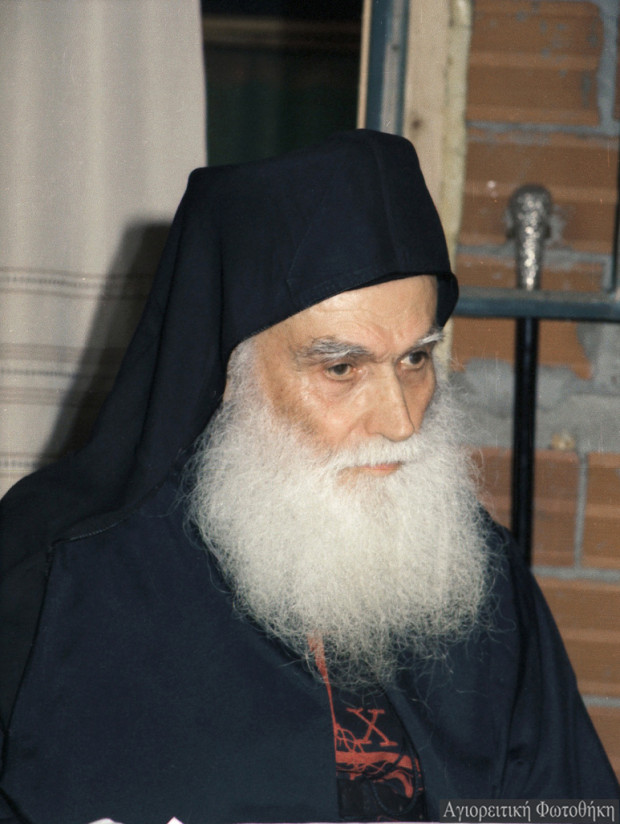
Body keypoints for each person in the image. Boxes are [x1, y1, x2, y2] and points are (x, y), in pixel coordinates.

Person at [0, 130, 617, 824]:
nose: (401, 421)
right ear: (226, 373)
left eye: (415, 359)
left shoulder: (480, 575)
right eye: (342, 368)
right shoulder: (49, 580)